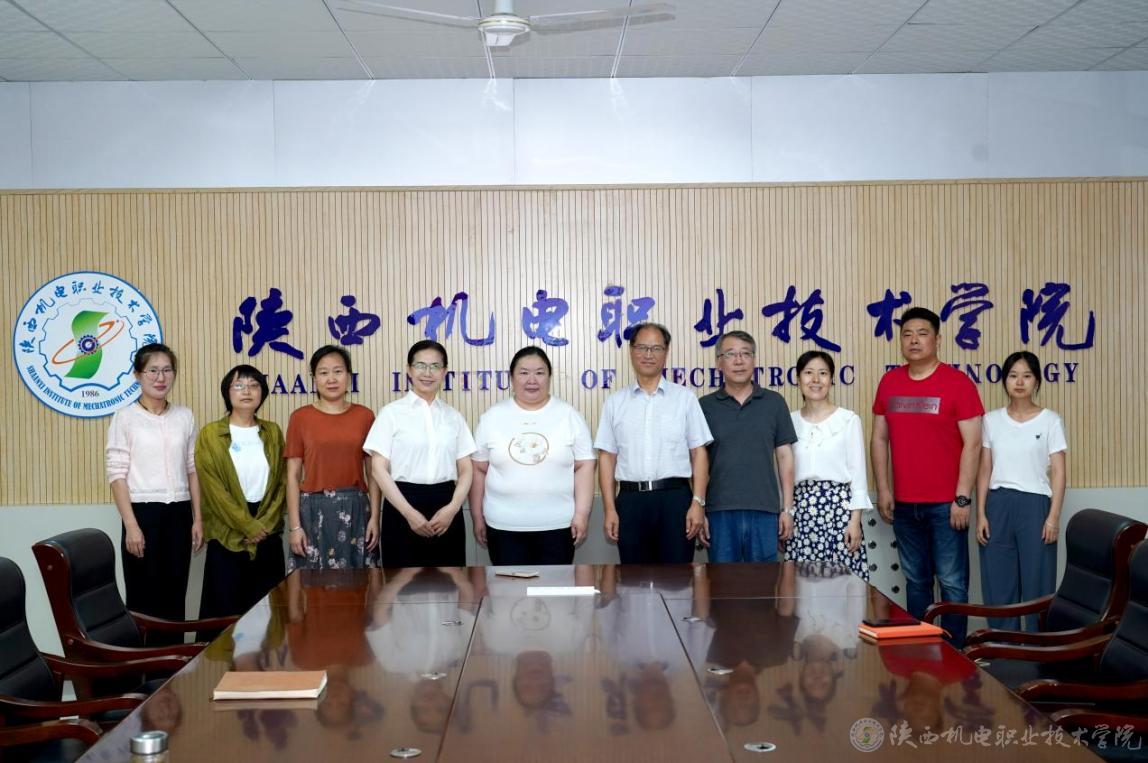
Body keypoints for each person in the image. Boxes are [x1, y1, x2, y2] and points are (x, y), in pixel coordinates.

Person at [871, 307, 983, 645]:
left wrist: (962, 497)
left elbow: (973, 443)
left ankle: (955, 653)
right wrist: (884, 489)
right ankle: (920, 651)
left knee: (952, 583)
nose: (914, 340)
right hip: (905, 504)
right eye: (907, 334)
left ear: (937, 339)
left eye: (922, 333)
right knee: (916, 582)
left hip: (946, 505)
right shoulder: (889, 382)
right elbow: (879, 438)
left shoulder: (957, 383)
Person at [105, 342, 201, 641]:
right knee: (144, 597)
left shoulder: (184, 416)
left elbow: (192, 469)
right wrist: (131, 525)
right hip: (142, 514)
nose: (161, 378)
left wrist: (198, 519)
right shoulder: (125, 417)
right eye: (153, 371)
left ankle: (173, 664)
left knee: (175, 594)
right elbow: (116, 475)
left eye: (167, 370)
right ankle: (144, 666)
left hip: (180, 513)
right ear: (138, 375)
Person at [595, 323, 712, 564]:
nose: (648, 354)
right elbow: (607, 458)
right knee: (633, 578)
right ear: (631, 351)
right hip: (630, 501)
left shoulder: (685, 399)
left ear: (666, 352)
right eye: (642, 347)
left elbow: (699, 454)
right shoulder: (615, 402)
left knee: (677, 578)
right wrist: (609, 509)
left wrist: (698, 503)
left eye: (656, 348)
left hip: (675, 500)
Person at [470, 346, 595, 565]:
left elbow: (585, 466)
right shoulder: (492, 417)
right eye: (523, 372)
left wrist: (582, 514)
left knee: (554, 587)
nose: (532, 380)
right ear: (511, 377)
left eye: (539, 373)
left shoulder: (569, 416)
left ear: (549, 377)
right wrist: (477, 517)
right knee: (508, 586)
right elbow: (478, 470)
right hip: (503, 526)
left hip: (558, 526)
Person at [976, 351, 1067, 631]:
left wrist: (1053, 518)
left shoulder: (1050, 420)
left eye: (1026, 376)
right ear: (1004, 380)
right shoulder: (991, 420)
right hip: (998, 505)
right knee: (998, 585)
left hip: (1035, 507)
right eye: (1013, 376)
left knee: (1037, 584)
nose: (1019, 382)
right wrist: (981, 514)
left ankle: (1038, 649)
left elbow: (1059, 472)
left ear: (1036, 381)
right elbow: (985, 470)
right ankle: (1003, 647)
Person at [364, 340, 475, 567]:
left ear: (444, 371)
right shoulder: (391, 414)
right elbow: (378, 469)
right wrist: (409, 513)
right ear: (409, 369)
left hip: (446, 507)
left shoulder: (453, 417)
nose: (427, 373)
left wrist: (453, 508)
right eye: (421, 365)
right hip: (401, 504)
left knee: (450, 582)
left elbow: (466, 469)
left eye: (435, 366)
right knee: (402, 583)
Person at [196, 364, 286, 625]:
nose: (247, 391)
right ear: (227, 392)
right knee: (226, 615)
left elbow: (282, 483)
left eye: (254, 385)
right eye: (239, 385)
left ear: (262, 393)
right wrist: (247, 525)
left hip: (267, 531)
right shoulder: (211, 434)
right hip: (228, 532)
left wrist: (263, 525)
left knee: (269, 617)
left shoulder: (272, 432)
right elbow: (213, 489)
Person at [699, 331, 796, 563]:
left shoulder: (774, 402)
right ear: (719, 363)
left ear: (754, 360)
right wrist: (699, 508)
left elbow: (785, 458)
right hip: (719, 512)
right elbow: (697, 462)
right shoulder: (704, 406)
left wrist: (787, 509)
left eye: (745, 354)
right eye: (730, 354)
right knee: (722, 583)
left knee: (763, 583)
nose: (739, 360)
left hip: (765, 511)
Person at [285, 345, 380, 570]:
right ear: (314, 379)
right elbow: (292, 476)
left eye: (338, 371)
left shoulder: (365, 416)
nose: (331, 379)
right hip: (312, 511)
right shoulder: (300, 418)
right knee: (311, 584)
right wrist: (295, 527)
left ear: (349, 376)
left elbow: (374, 473)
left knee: (360, 582)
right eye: (323, 372)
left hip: (356, 510)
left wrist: (375, 518)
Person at [788, 350, 872, 579]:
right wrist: (786, 514)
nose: (816, 380)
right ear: (798, 378)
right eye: (809, 373)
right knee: (802, 587)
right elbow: (782, 475)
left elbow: (858, 475)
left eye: (823, 373)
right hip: (801, 513)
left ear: (832, 379)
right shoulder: (788, 421)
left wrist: (855, 521)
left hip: (839, 513)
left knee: (842, 586)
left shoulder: (848, 420)